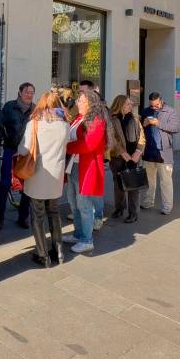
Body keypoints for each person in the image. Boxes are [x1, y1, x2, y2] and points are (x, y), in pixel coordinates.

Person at [18, 92, 69, 267]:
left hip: (38, 174)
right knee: (54, 213)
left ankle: (43, 255)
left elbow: (24, 150)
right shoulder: (64, 124)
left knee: (38, 214)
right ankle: (59, 251)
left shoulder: (34, 124)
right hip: (56, 175)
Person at [64, 90, 108, 253]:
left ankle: (87, 240)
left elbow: (89, 145)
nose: (77, 103)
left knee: (84, 205)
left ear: (90, 102)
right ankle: (78, 233)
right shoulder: (79, 118)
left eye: (81, 101)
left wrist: (66, 147)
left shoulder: (96, 120)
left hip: (86, 167)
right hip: (74, 166)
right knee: (73, 202)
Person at [0, 82, 35, 230]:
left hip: (26, 153)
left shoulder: (35, 110)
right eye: (27, 92)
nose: (29, 95)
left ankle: (23, 217)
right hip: (10, 150)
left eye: (31, 92)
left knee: (26, 186)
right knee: (4, 184)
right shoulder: (9, 107)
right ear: (20, 92)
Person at [139, 92, 180, 215]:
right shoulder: (146, 111)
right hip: (148, 151)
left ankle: (167, 206)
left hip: (164, 152)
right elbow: (139, 128)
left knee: (166, 181)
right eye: (152, 105)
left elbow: (176, 128)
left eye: (156, 105)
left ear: (161, 100)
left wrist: (158, 124)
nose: (154, 107)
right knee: (149, 180)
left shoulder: (170, 111)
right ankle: (148, 202)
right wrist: (144, 124)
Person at [107, 95, 146, 224]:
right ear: (120, 105)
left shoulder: (135, 118)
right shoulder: (112, 119)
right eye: (128, 104)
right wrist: (122, 153)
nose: (131, 106)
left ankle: (133, 213)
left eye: (131, 104)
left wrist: (138, 152)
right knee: (118, 185)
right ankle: (119, 208)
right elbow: (112, 138)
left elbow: (141, 137)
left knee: (133, 186)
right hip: (118, 157)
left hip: (134, 157)